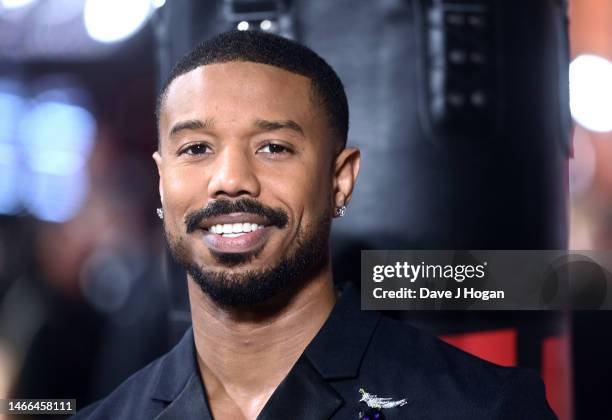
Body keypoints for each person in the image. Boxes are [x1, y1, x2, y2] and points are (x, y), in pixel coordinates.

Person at [73, 30, 555, 420]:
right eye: (196, 149)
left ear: (339, 181)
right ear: (162, 184)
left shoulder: (482, 409)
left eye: (273, 147)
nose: (230, 180)